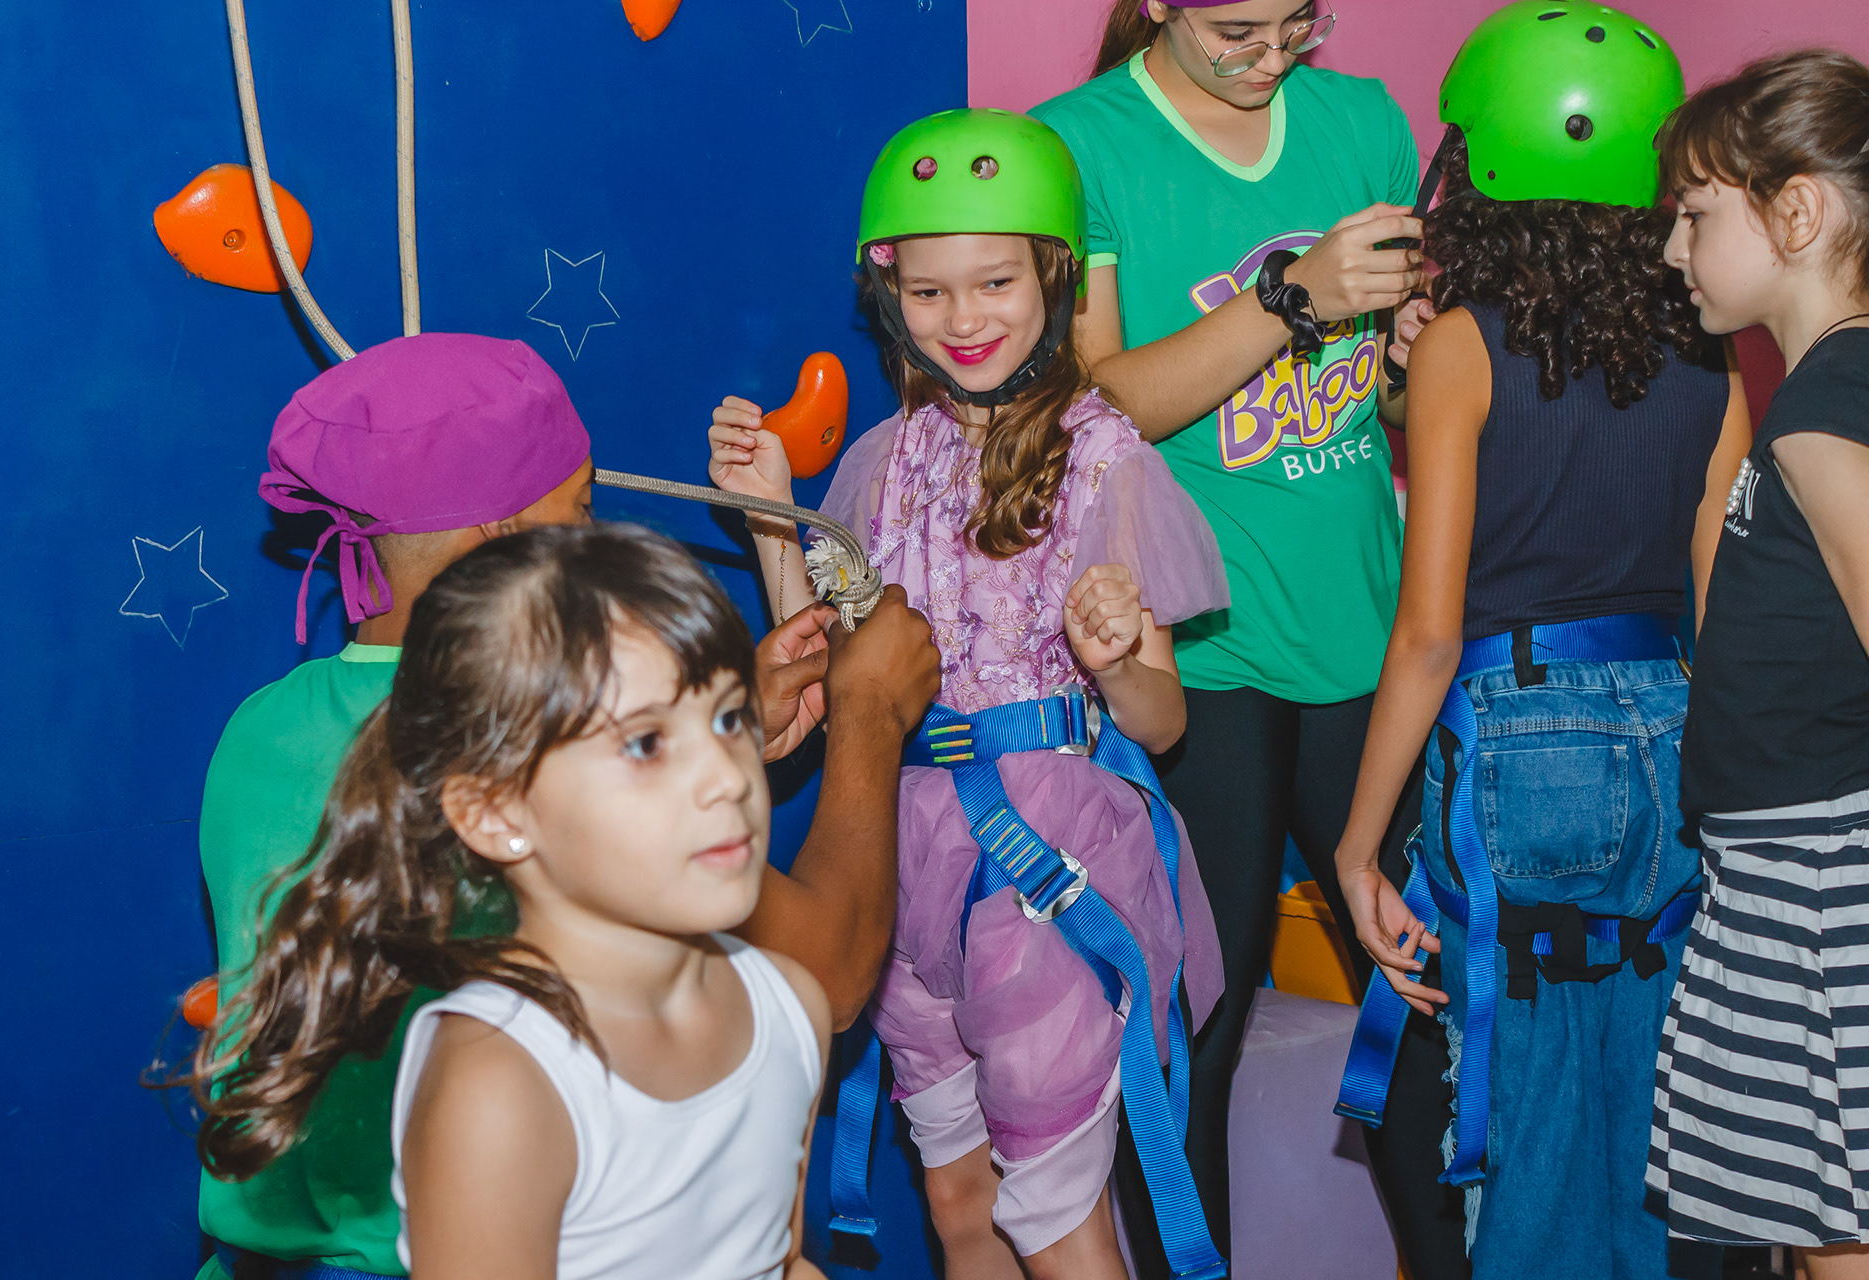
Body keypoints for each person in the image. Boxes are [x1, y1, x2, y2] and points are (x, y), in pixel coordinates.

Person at [195, 333, 940, 1280]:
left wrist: (682, 733)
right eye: (581, 508)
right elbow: (827, 974)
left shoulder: (261, 732)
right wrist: (871, 715)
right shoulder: (524, 751)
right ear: (504, 549)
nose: (595, 535)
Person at [709, 109, 1230, 1280]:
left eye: (996, 282)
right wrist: (774, 519)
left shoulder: (1105, 457)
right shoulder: (890, 456)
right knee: (957, 1197)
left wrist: (1118, 659)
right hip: (905, 852)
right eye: (930, 292)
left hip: (1047, 859)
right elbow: (838, 664)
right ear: (890, 294)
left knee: (1054, 1211)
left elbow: (1164, 722)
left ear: (1053, 274)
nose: (965, 317)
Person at [1025, 5, 1454, 1268]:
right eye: (1237, 30)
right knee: (1191, 1033)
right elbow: (1094, 399)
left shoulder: (1362, 119)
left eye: (1297, 23)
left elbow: (1381, 394)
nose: (1272, 56)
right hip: (1191, 651)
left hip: (1362, 630)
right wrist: (1293, 295)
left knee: (1424, 1004)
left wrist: (1408, 353)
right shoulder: (1079, 143)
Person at [1328, 6, 1750, 1275]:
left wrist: (1357, 844)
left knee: (1526, 1112)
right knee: (1656, 1101)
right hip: (1674, 735)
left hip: (1520, 735)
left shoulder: (1464, 344)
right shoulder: (1713, 354)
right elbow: (1719, 615)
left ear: (1483, 169)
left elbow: (1429, 631)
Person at [195, 522, 832, 1279]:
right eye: (645, 744)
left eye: (729, 719)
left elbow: (780, 1262)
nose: (727, 776)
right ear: (495, 812)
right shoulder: (501, 1083)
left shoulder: (789, 1006)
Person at [1644, 49, 1869, 1280]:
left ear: (1797, 213)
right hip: (1787, 863)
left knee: (1840, 1234)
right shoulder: (1819, 391)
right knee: (1820, 1227)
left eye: (1694, 214)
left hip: (1820, 875)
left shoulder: (1829, 408)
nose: (1671, 247)